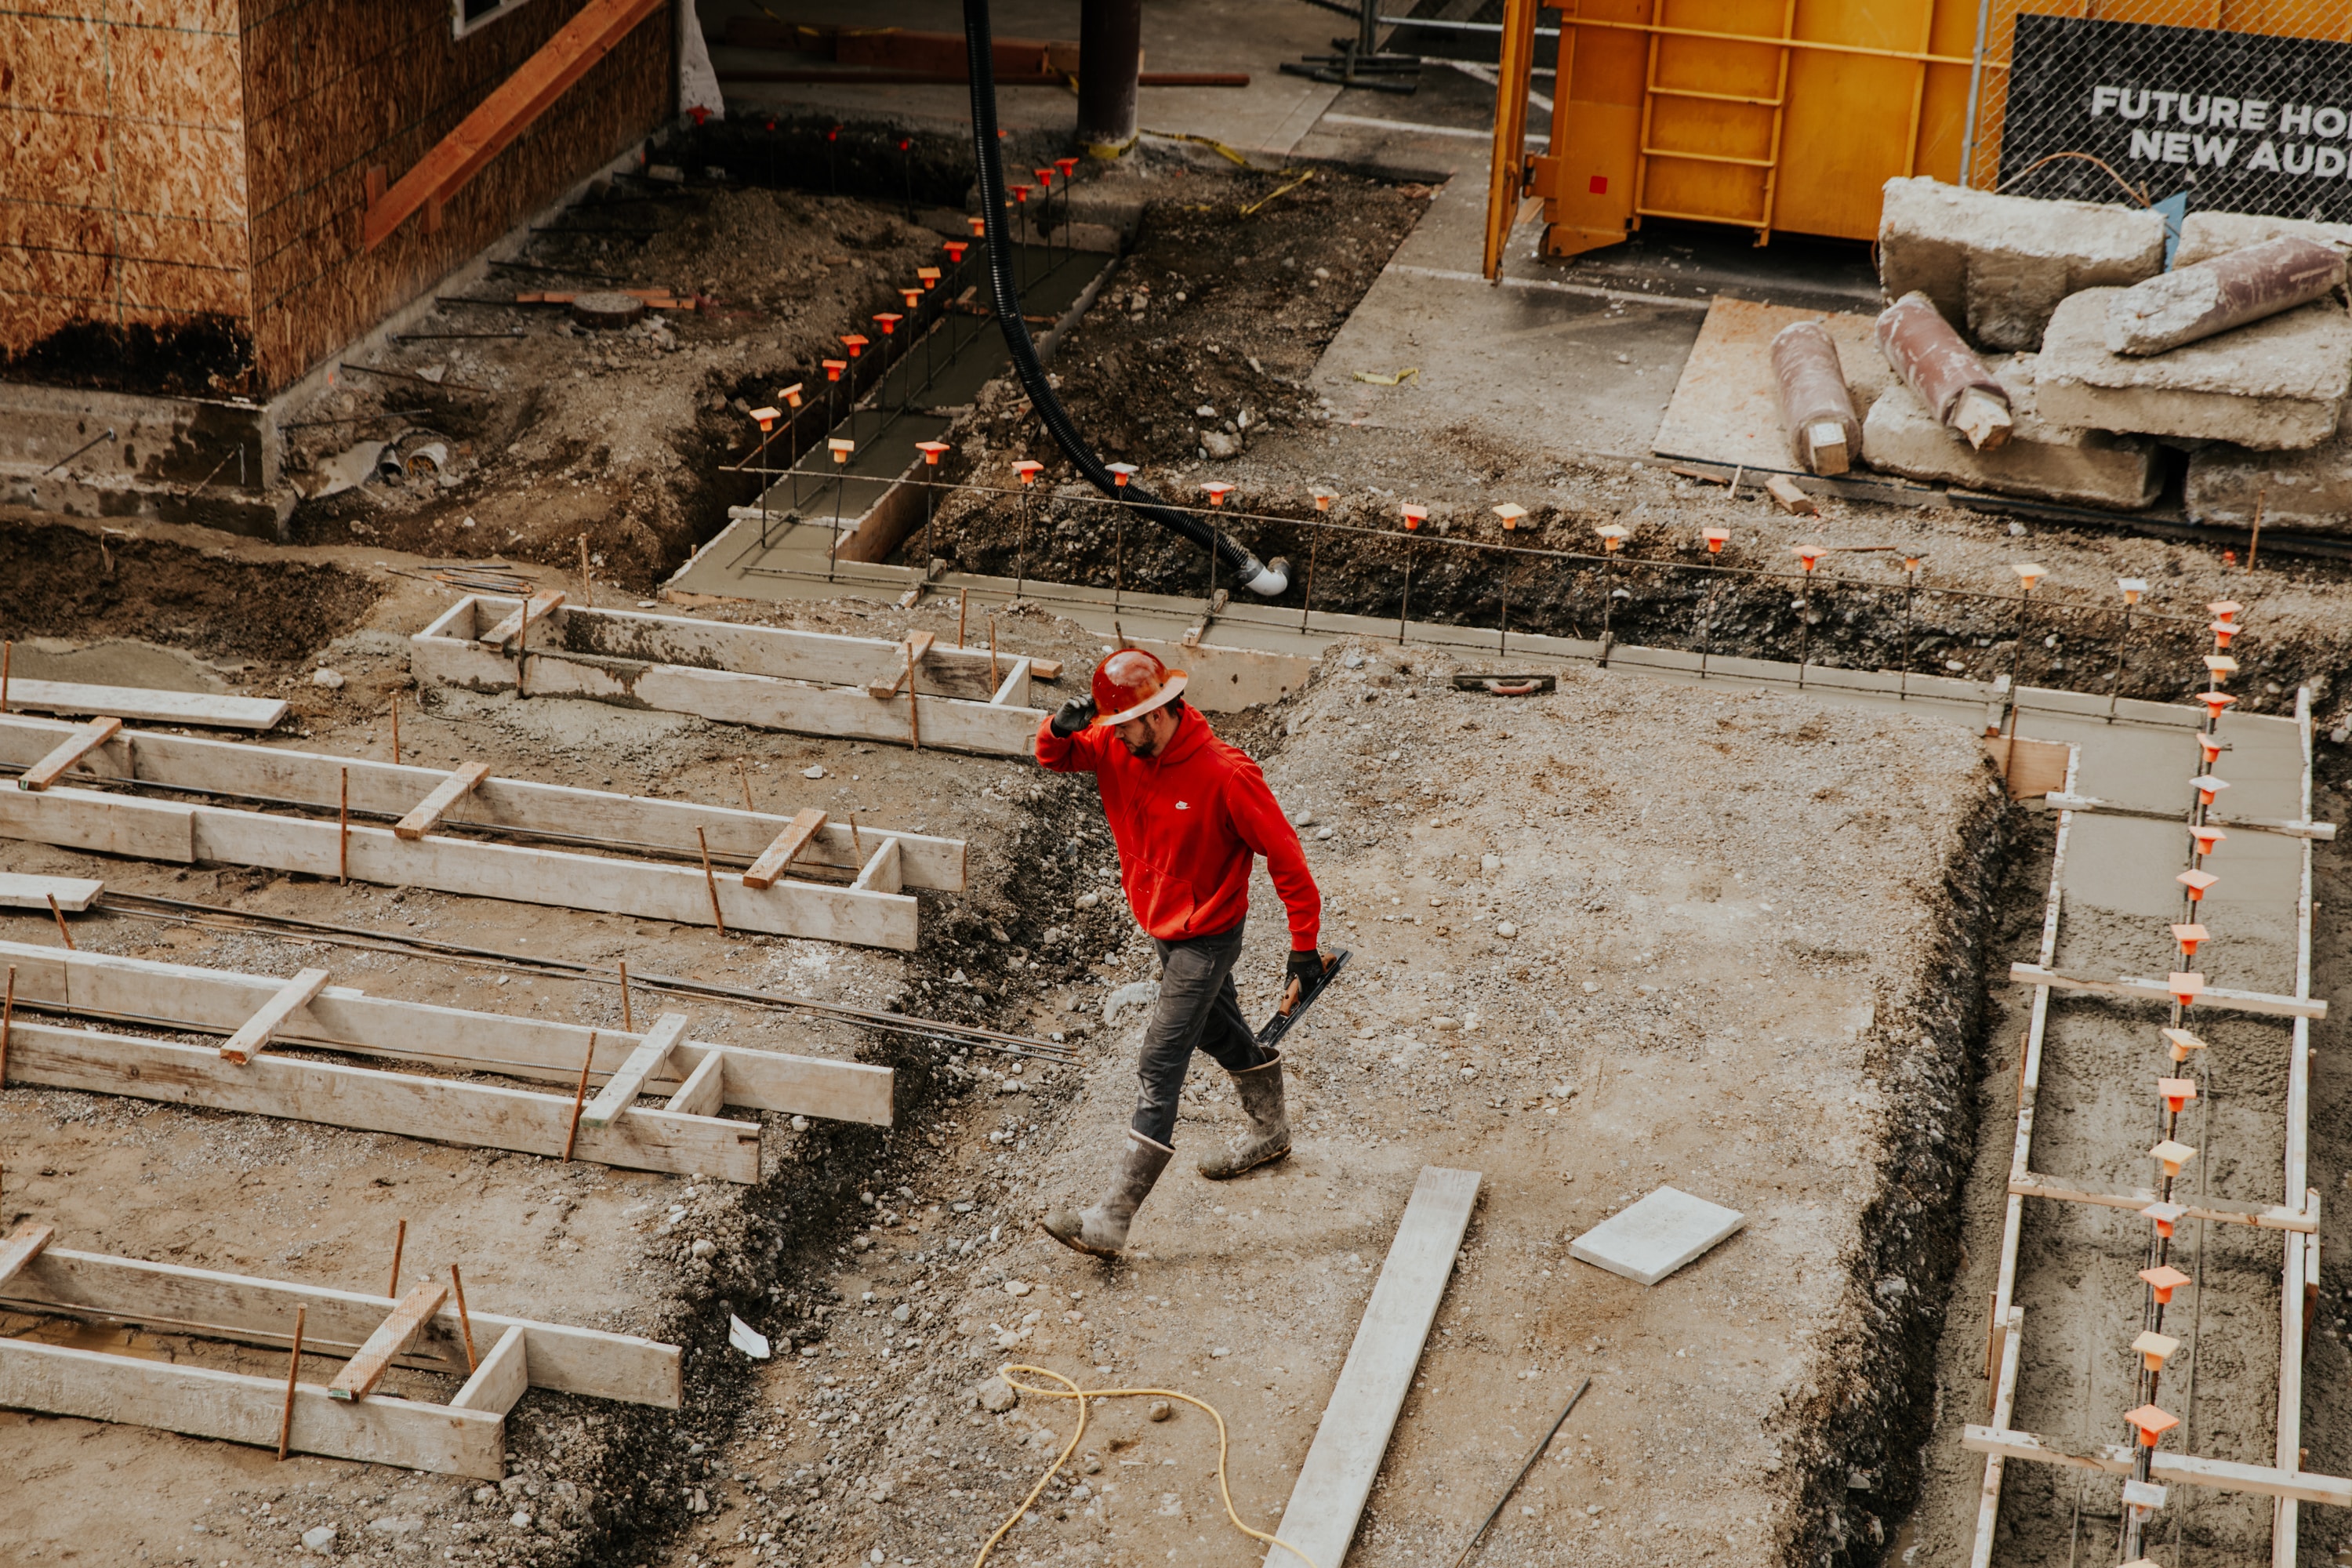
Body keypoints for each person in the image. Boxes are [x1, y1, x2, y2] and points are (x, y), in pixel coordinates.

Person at [1033, 647, 1329, 1258]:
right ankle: (1271, 1132)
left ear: (1159, 710)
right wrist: (1057, 727)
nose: (1111, 736)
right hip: (1161, 922)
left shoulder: (1226, 774)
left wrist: (1304, 947)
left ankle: (1111, 1220)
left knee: (1160, 1059)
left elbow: (1287, 857)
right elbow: (1056, 757)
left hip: (1208, 935)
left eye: (1123, 724)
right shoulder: (1121, 745)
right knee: (1218, 1032)